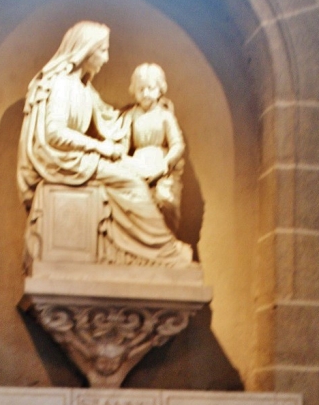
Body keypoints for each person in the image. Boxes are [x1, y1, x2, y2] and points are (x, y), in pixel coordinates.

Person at [17, 21, 192, 268]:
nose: (107, 58)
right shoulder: (61, 84)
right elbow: (55, 133)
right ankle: (162, 253)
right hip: (63, 160)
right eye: (102, 50)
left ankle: (146, 251)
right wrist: (100, 148)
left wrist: (143, 114)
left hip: (79, 156)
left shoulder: (83, 87)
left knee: (134, 174)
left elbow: (110, 119)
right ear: (85, 50)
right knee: (131, 183)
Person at [126, 62, 185, 231]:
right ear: (134, 90)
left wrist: (165, 164)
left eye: (150, 88)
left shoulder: (165, 115)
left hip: (161, 165)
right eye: (141, 88)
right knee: (133, 200)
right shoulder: (131, 116)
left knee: (164, 200)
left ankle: (164, 243)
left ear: (159, 90)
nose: (145, 93)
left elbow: (177, 144)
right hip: (138, 164)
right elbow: (122, 144)